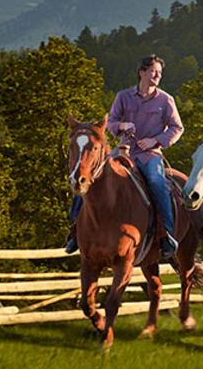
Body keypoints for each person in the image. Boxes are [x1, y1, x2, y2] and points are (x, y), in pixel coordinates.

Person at [66, 55, 184, 258]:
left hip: (149, 155)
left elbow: (177, 128)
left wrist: (154, 141)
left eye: (160, 73)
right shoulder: (123, 96)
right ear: (142, 72)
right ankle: (75, 230)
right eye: (154, 71)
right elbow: (110, 122)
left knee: (157, 184)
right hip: (122, 151)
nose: (157, 76)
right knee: (89, 176)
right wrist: (120, 126)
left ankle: (166, 235)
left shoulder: (166, 100)